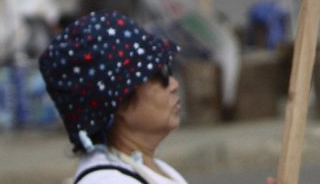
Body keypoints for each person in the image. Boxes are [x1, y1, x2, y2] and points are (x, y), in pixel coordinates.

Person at [39, 10, 278, 184]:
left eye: (169, 70)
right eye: (158, 76)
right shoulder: (108, 181)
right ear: (117, 102)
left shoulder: (148, 167)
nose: (173, 85)